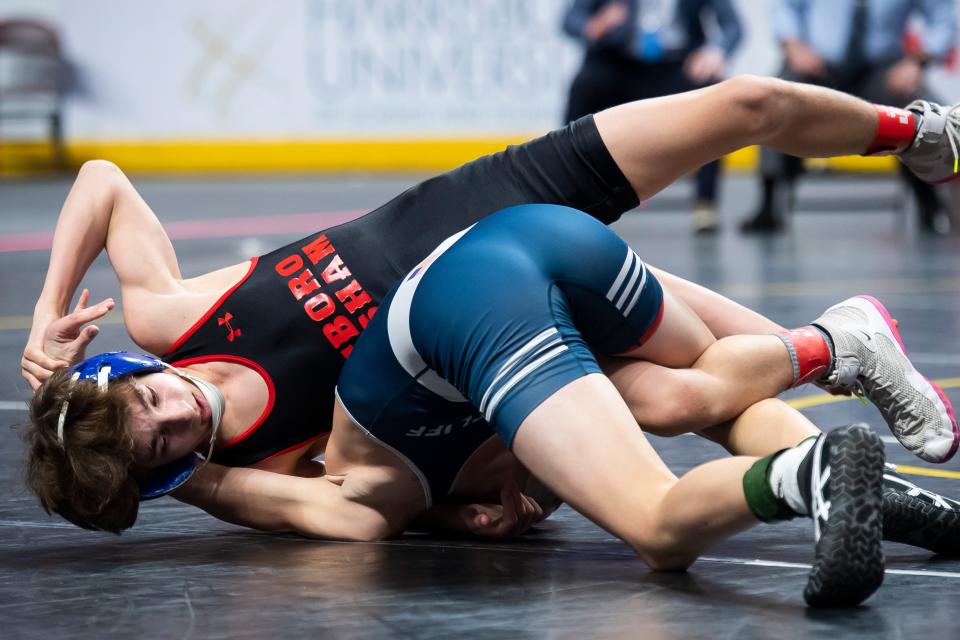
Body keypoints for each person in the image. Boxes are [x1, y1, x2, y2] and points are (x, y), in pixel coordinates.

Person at [22, 76, 960, 547]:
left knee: (743, 104)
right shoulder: (254, 465)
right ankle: (882, 484)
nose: (175, 412)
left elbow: (101, 182)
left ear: (131, 372)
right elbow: (383, 496)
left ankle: (918, 132)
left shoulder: (168, 323)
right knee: (699, 401)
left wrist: (46, 315)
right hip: (493, 329)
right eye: (161, 447)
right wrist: (506, 500)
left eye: (148, 402)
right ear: (163, 477)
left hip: (492, 199)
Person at [741, 0, 959, 234]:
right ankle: (768, 202)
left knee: (922, 114)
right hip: (817, 63)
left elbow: (943, 22)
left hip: (883, 68)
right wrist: (793, 45)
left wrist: (917, 63)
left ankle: (930, 203)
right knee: (775, 102)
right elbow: (785, 7)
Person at [562, 0, 743, 233]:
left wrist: (715, 52)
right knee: (585, 85)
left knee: (712, 92)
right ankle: (570, 197)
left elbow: (733, 26)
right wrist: (593, 25)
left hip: (677, 62)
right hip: (620, 60)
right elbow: (570, 20)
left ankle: (705, 204)